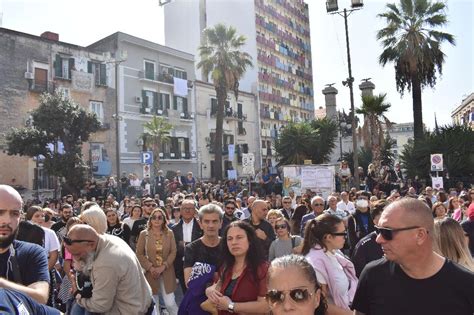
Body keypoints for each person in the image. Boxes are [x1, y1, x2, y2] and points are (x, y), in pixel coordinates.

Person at [352, 198, 474, 315]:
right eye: (378, 231)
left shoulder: (466, 283)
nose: (378, 239)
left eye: (387, 232)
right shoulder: (372, 275)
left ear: (420, 235)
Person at [65, 224, 154, 314]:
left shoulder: (105, 263)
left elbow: (100, 306)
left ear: (91, 245)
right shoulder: (109, 240)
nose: (75, 259)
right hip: (142, 302)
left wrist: (77, 295)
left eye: (78, 254)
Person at [205, 221, 269, 314]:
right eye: (230, 239)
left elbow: (265, 306)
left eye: (239, 237)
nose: (234, 242)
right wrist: (209, 290)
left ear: (249, 240)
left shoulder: (263, 269)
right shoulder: (226, 267)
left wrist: (231, 306)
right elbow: (215, 286)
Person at [0, 185, 50, 304]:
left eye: (14, 213)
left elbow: (40, 297)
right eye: (0, 212)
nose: (6, 220)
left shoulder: (32, 252)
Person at [302, 214, 357, 312]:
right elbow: (323, 304)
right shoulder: (315, 263)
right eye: (343, 233)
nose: (346, 237)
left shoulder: (335, 253)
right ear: (328, 237)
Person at [180, 204, 223, 314]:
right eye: (207, 221)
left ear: (221, 223)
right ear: (200, 223)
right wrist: (214, 279)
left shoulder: (228, 246)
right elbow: (189, 281)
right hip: (198, 303)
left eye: (214, 221)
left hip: (224, 302)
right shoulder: (191, 248)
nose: (210, 225)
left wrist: (204, 275)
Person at [136, 208, 179, 315]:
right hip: (150, 273)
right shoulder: (143, 234)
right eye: (154, 217)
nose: (157, 220)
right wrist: (150, 267)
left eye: (160, 217)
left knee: (170, 303)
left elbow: (173, 252)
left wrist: (163, 266)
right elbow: (139, 253)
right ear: (150, 220)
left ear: (164, 220)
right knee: (154, 304)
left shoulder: (169, 233)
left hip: (166, 271)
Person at [172, 199, 202, 293]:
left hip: (199, 264)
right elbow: (173, 247)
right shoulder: (174, 228)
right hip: (182, 265)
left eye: (190, 208)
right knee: (186, 293)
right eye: (185, 208)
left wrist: (186, 245)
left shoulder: (202, 226)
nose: (187, 211)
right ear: (180, 211)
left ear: (195, 210)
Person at [351, 200, 387, 277]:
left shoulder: (402, 239)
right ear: (375, 221)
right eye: (385, 216)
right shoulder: (364, 245)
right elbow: (358, 274)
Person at [347, 191, 374, 255]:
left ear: (368, 201)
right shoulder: (352, 218)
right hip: (358, 251)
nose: (362, 201)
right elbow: (351, 239)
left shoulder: (373, 215)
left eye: (364, 199)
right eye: (360, 199)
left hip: (373, 250)